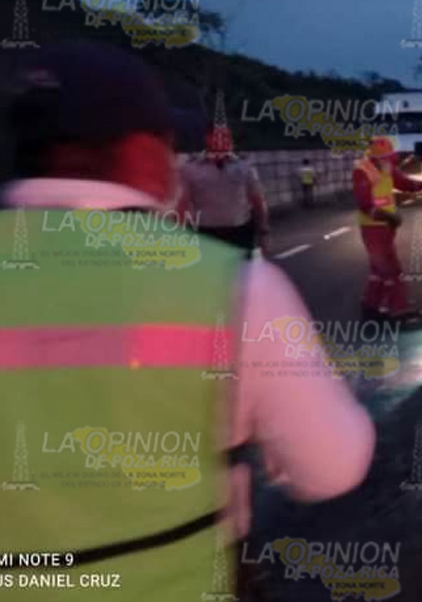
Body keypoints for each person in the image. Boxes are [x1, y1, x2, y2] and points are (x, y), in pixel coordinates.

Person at [0, 43, 375, 600]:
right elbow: (331, 466)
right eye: (168, 141)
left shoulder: (239, 192)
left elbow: (252, 201)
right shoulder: (235, 288)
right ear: (139, 148)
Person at [353, 136, 422, 320]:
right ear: (377, 158)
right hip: (373, 227)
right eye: (387, 157)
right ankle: (399, 311)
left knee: (378, 272)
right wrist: (390, 217)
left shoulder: (386, 167)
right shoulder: (362, 171)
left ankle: (371, 308)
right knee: (392, 271)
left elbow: (404, 183)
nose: (390, 162)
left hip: (385, 227)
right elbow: (365, 205)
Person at [178, 126, 270, 257]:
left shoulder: (244, 166)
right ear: (207, 139)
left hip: (241, 233)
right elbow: (182, 204)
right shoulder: (191, 169)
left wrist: (264, 232)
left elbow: (258, 201)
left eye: (226, 137)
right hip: (206, 234)